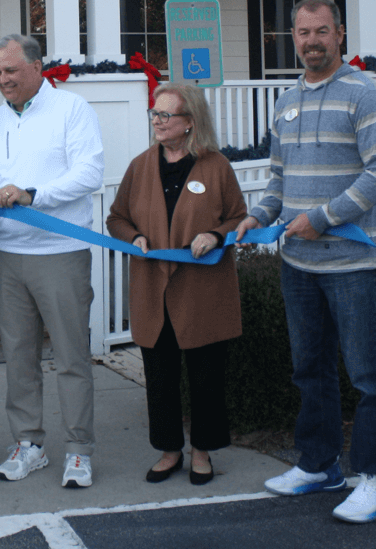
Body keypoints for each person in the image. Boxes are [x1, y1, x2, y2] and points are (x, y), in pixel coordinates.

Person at [234, 0, 376, 524]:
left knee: (368, 376)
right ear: (293, 36)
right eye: (302, 32)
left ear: (340, 34)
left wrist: (324, 217)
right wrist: (257, 216)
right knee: (310, 371)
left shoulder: (365, 93)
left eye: (321, 31)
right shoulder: (285, 100)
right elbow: (280, 182)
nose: (311, 41)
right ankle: (320, 464)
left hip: (353, 266)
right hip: (298, 265)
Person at [106, 84, 246, 486]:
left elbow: (238, 216)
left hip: (203, 291)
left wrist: (217, 235)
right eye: (155, 113)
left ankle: (201, 451)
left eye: (166, 115)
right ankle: (170, 451)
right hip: (154, 291)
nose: (157, 120)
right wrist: (133, 237)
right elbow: (116, 218)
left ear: (190, 123)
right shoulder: (140, 165)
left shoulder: (216, 166)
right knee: (161, 378)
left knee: (205, 377)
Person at [0, 34, 104, 489]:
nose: (3, 80)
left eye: (11, 71)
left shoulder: (71, 109)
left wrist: (35, 195)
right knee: (19, 357)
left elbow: (90, 172)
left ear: (36, 67)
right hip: (9, 255)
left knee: (72, 356)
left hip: (59, 253)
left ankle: (79, 450)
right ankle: (28, 443)